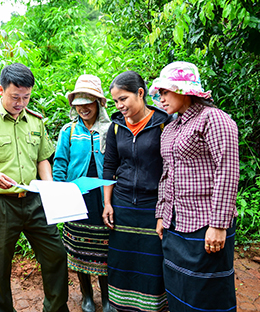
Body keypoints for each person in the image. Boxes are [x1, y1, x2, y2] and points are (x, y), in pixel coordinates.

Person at [0, 63, 69, 312]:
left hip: (34, 201)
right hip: (0, 205)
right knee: (0, 266)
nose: (21, 103)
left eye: (26, 97)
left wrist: (49, 189)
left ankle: (55, 308)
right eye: (15, 97)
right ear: (2, 90)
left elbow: (42, 158)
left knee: (56, 255)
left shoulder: (35, 120)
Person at [150, 61, 239, 312]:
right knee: (179, 288)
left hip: (205, 223)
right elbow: (166, 173)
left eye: (166, 92)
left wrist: (219, 225)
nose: (161, 98)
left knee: (207, 292)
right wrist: (161, 214)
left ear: (183, 89)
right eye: (160, 93)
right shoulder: (171, 127)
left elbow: (227, 170)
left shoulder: (214, 119)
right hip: (175, 223)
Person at [102, 71, 171, 312]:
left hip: (154, 206)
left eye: (123, 99)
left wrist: (165, 209)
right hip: (122, 205)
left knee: (152, 263)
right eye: (115, 101)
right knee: (123, 260)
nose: (119, 106)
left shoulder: (163, 123)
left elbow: (170, 169)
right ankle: (122, 307)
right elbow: (109, 166)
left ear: (140, 93)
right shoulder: (116, 127)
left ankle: (153, 307)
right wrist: (107, 203)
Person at [53, 74, 114, 312]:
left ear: (99, 102)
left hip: (103, 198)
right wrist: (58, 195)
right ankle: (86, 296)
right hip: (75, 199)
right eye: (79, 102)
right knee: (79, 250)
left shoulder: (111, 130)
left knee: (104, 252)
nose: (83, 107)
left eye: (88, 101)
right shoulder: (68, 131)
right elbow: (60, 164)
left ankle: (107, 297)